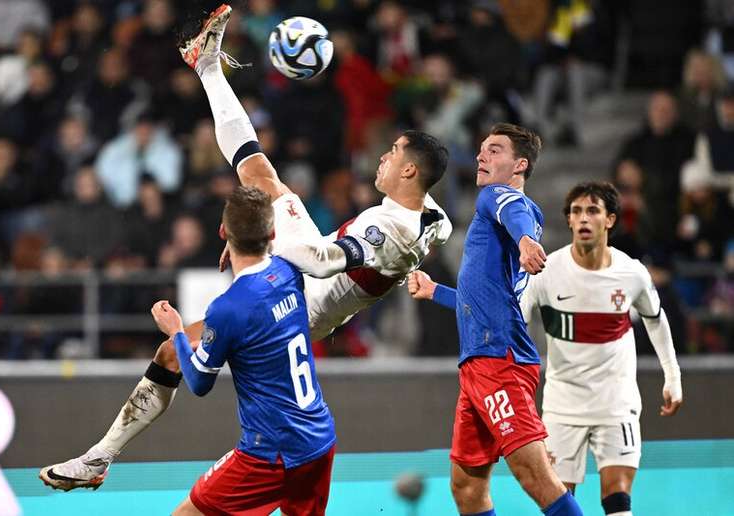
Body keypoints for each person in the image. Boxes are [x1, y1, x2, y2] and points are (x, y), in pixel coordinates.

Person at [40, 3, 451, 491]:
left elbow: (320, 266)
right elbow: (426, 235)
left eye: (392, 154)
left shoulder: (393, 231)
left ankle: (99, 458)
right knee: (259, 175)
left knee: (172, 355)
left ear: (409, 171)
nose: (382, 157)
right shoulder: (431, 218)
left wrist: (249, 242)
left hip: (300, 300)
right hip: (308, 269)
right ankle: (207, 65)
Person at [45, 186, 337, 516]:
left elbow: (199, 381)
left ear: (223, 232)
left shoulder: (229, 308)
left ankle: (99, 457)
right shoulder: (289, 272)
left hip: (270, 451)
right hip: (318, 439)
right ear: (271, 232)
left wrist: (177, 332)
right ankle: (100, 455)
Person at [408, 123, 584, 515]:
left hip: (497, 362)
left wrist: (525, 240)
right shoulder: (504, 219)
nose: (481, 156)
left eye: (494, 150)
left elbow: (512, 209)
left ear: (519, 164)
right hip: (480, 363)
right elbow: (483, 299)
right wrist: (434, 291)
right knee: (467, 486)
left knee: (534, 477)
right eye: (482, 149)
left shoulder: (498, 199)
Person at [520, 181, 681, 516]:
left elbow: (655, 318)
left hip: (615, 403)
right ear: (568, 220)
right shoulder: (545, 272)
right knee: (560, 501)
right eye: (576, 211)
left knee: (617, 497)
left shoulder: (632, 273)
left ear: (609, 220)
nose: (583, 218)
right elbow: (514, 325)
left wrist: (672, 375)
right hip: (563, 405)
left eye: (592, 210)